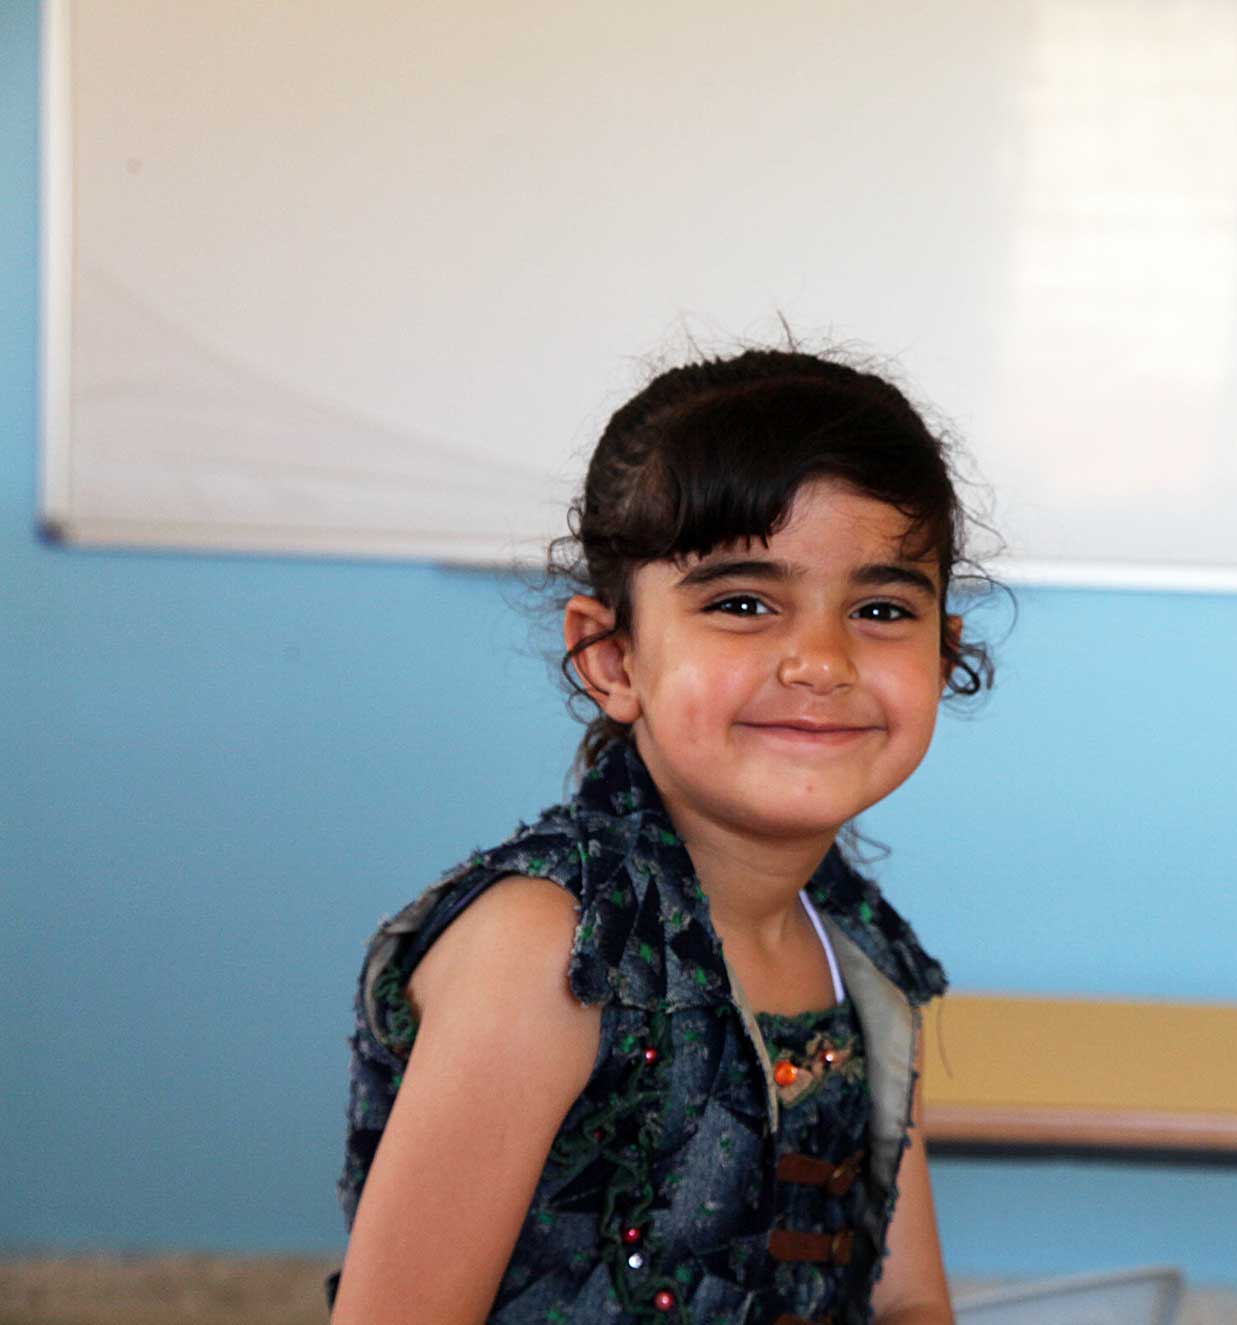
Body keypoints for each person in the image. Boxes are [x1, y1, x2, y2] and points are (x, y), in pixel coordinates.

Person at [329, 348, 992, 1325]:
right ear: (611, 656)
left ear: (942, 653)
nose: (819, 658)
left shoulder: (849, 940)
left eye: (882, 608)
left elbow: (905, 1295)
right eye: (741, 602)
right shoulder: (551, 950)